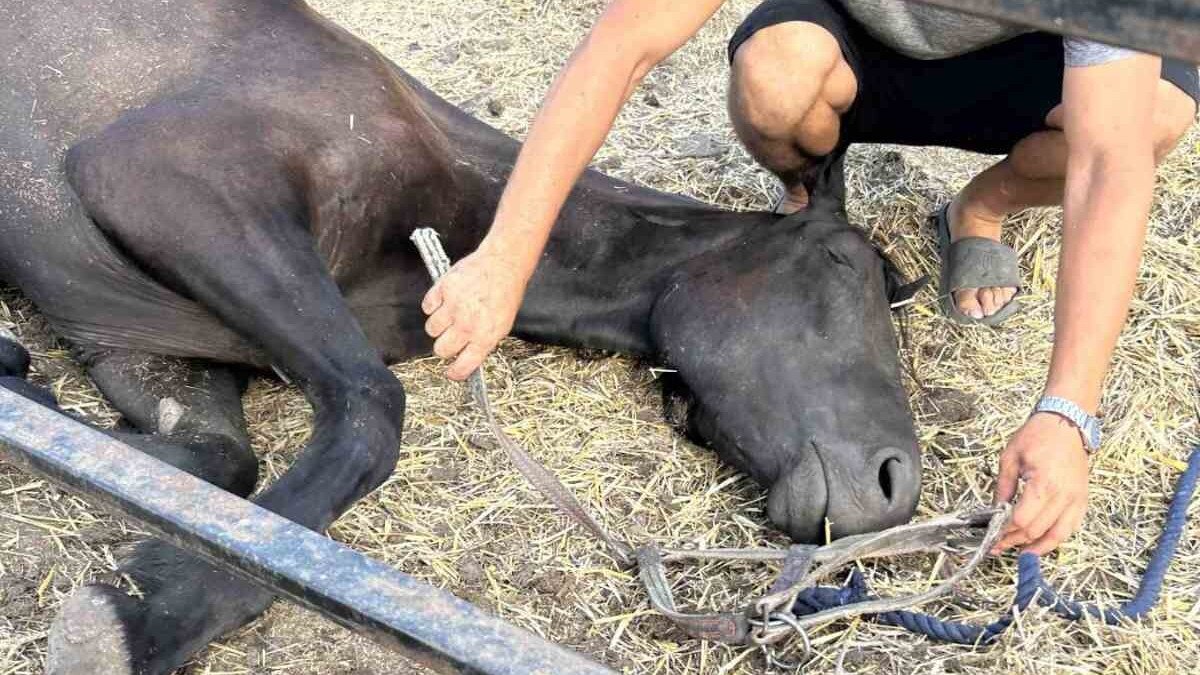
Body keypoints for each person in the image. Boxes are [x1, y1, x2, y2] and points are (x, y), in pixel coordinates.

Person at [419, 0, 1199, 554]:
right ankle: (813, 199)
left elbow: (1107, 164)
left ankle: (981, 209)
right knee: (775, 78)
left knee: (1157, 111)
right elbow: (627, 42)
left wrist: (1068, 413)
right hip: (862, 34)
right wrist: (506, 257)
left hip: (1033, 52)